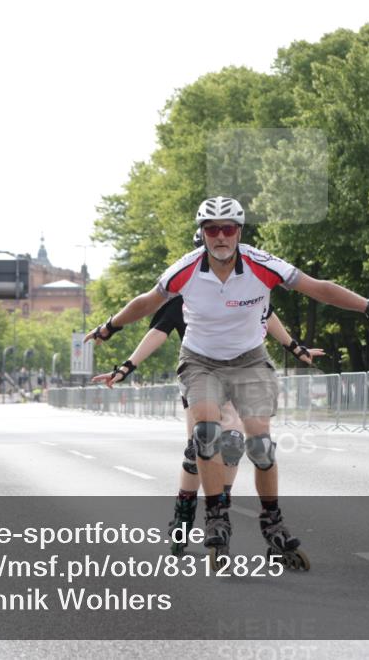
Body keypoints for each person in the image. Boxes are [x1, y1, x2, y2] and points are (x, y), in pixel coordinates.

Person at [86, 196, 369, 568]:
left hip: (249, 362)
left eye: (228, 229)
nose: (220, 237)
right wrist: (109, 328)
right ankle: (215, 516)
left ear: (239, 232)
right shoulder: (186, 270)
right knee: (206, 434)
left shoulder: (263, 266)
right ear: (203, 234)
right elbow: (147, 302)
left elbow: (319, 288)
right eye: (212, 230)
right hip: (200, 362)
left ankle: (271, 521)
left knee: (259, 446)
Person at [92, 231, 325, 555]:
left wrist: (295, 348)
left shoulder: (244, 287)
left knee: (231, 444)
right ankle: (184, 513)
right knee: (200, 446)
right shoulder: (183, 292)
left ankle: (221, 512)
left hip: (240, 370)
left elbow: (267, 316)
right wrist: (125, 367)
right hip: (201, 371)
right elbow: (157, 334)